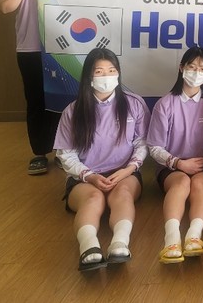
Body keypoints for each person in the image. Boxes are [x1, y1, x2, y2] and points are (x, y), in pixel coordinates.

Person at [0, 0, 84, 175]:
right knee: (36, 99)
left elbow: (85, 9)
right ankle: (39, 153)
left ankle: (64, 150)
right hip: (31, 46)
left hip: (65, 49)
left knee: (67, 100)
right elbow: (5, 7)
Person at [54, 48, 149, 271]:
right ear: (89, 76)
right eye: (99, 72)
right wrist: (90, 176)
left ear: (119, 73)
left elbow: (142, 143)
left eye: (111, 70)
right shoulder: (73, 111)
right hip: (85, 177)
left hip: (124, 173)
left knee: (123, 195)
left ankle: (120, 244)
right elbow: (65, 154)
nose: (106, 76)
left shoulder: (134, 104)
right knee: (94, 199)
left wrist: (129, 169)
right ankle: (89, 247)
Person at [148, 47, 203, 264]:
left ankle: (194, 236)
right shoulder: (165, 104)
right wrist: (178, 163)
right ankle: (171, 239)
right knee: (181, 183)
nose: (197, 72)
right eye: (192, 67)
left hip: (202, 166)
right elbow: (154, 147)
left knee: (199, 185)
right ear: (181, 68)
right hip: (171, 168)